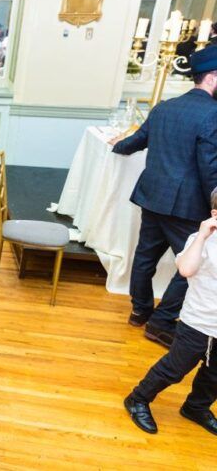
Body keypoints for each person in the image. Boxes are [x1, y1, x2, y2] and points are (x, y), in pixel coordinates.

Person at [112, 45, 217, 348]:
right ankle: (161, 322)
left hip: (152, 197)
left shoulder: (164, 107)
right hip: (187, 206)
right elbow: (210, 168)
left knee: (145, 256)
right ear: (212, 77)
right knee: (191, 265)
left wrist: (117, 145)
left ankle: (140, 311)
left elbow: (136, 140)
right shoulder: (213, 115)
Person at [124, 187, 217, 437]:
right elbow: (186, 269)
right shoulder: (199, 242)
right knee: (175, 369)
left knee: (214, 374)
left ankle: (196, 407)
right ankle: (138, 398)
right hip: (197, 322)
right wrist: (202, 235)